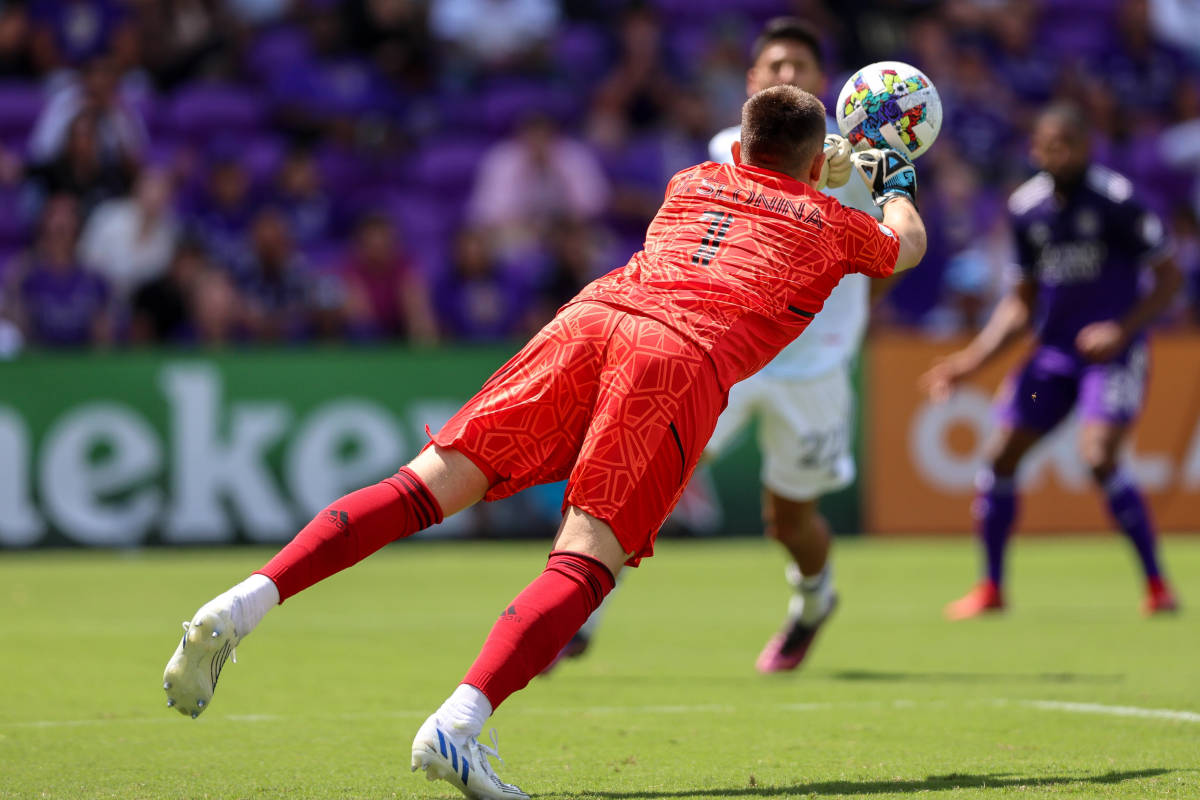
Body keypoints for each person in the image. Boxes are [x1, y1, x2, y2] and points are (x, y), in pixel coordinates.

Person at [162, 84, 927, 800]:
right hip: (676, 360)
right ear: (808, 159)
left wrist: (811, 165)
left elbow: (763, 189)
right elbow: (904, 248)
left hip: (589, 321)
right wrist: (893, 182)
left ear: (742, 145)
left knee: (426, 484)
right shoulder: (832, 226)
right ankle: (458, 725)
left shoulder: (692, 182)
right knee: (590, 552)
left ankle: (240, 603)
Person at [560, 18, 885, 674]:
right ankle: (579, 612)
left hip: (816, 368)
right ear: (751, 83)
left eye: (799, 66)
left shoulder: (867, 157)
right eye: (774, 68)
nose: (787, 77)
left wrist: (865, 172)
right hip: (728, 356)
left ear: (824, 83)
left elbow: (891, 240)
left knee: (788, 523)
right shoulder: (729, 147)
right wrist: (829, 172)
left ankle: (815, 601)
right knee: (644, 474)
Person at [922, 103, 1182, 620]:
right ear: (1035, 148)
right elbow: (1021, 303)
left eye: (1069, 143)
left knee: (1098, 455)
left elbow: (1169, 278)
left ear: (1087, 146)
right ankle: (991, 589)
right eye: (1049, 144)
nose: (1058, 153)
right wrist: (969, 363)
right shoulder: (1027, 209)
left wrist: (1121, 328)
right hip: (1053, 365)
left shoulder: (1119, 202)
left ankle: (1156, 586)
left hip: (1111, 360)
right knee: (1000, 457)